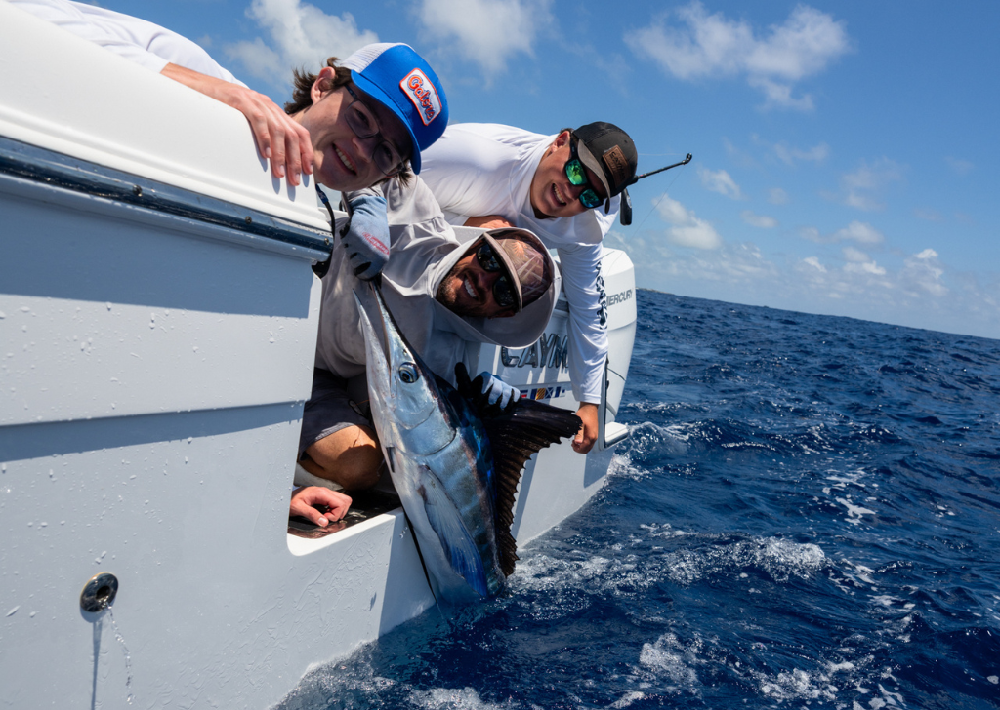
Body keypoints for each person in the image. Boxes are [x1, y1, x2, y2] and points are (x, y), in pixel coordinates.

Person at [12, 0, 452, 522]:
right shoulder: (220, 89)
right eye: (360, 118)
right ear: (323, 84)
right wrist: (213, 93)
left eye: (385, 154)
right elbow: (27, 18)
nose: (361, 149)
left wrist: (275, 490)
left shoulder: (326, 205)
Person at [292, 177, 559, 525]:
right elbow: (376, 161)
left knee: (360, 467)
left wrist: (483, 417)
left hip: (311, 375)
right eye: (490, 261)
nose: (484, 280)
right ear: (475, 247)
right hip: (281, 295)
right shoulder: (419, 217)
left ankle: (292, 472)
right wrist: (366, 199)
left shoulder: (451, 362)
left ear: (504, 314)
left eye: (505, 292)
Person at [419, 122, 638, 454]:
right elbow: (380, 184)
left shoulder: (584, 227)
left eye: (590, 195)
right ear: (560, 141)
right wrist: (463, 227)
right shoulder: (476, 158)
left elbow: (589, 310)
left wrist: (590, 401)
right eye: (577, 172)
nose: (573, 192)